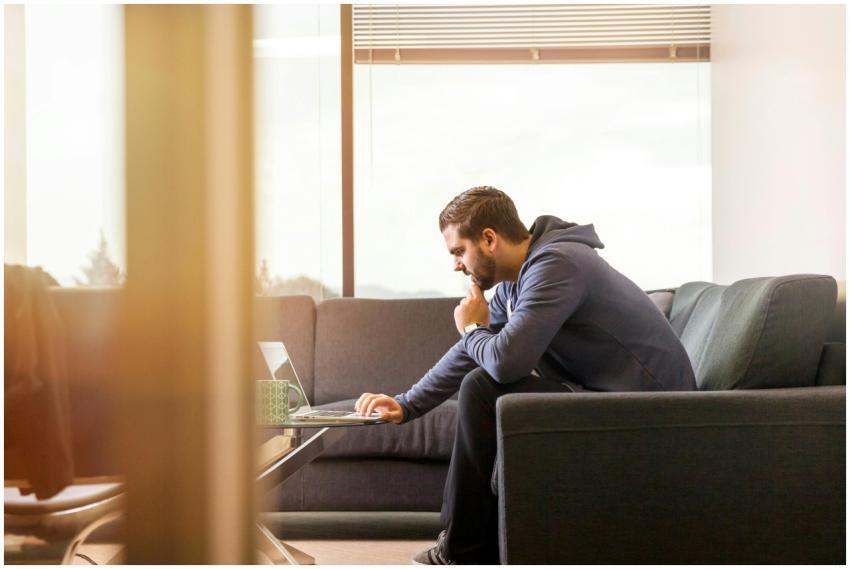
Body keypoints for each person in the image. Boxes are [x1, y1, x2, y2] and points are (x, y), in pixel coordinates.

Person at [354, 186, 697, 564]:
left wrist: (472, 329)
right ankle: (464, 547)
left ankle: (463, 551)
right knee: (481, 383)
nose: (456, 266)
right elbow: (469, 355)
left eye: (458, 252)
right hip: (606, 397)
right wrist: (407, 404)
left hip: (656, 412)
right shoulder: (519, 282)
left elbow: (504, 363)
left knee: (485, 387)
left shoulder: (557, 265)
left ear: (488, 239)